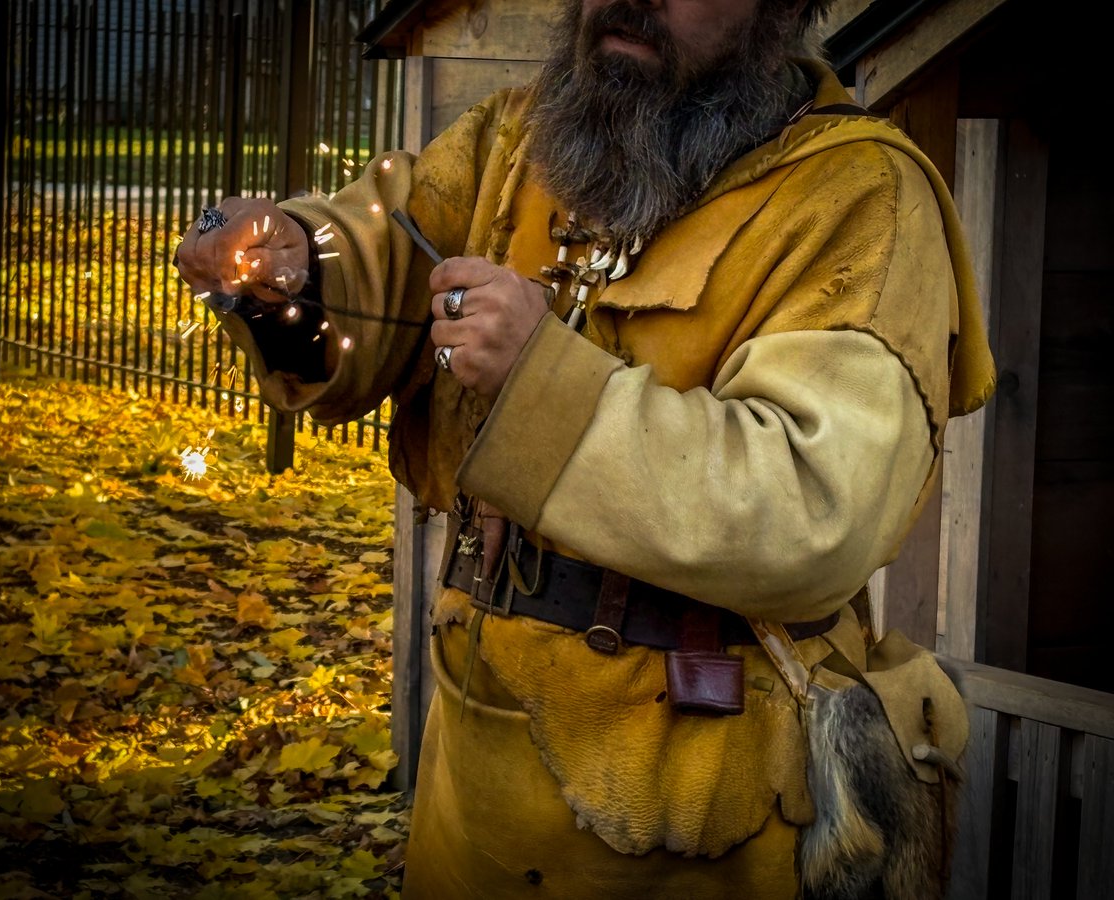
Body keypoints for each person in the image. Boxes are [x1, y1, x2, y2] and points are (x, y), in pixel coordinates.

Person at [175, 0, 996, 896]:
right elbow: (379, 251)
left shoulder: (865, 199)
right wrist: (292, 257)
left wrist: (543, 380)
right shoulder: (524, 136)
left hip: (700, 810)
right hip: (473, 789)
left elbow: (812, 511)